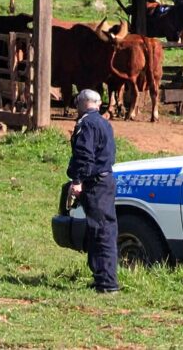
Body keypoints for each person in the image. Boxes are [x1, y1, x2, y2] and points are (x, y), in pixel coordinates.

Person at [66, 89, 119, 293]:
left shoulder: (86, 124)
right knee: (102, 229)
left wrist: (77, 180)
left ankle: (107, 283)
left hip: (95, 184)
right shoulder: (105, 123)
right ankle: (101, 278)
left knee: (101, 231)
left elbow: (84, 155)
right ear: (97, 104)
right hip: (106, 181)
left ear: (81, 103)